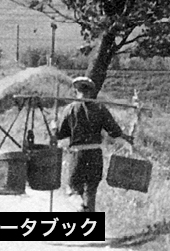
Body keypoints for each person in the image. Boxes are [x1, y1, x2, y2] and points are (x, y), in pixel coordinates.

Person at [55, 76, 133, 212]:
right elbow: (115, 131)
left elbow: (61, 135)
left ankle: (79, 207)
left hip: (77, 155)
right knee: (91, 191)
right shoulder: (100, 108)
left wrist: (54, 127)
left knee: (73, 189)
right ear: (91, 92)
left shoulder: (69, 110)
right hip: (95, 155)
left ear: (76, 90)